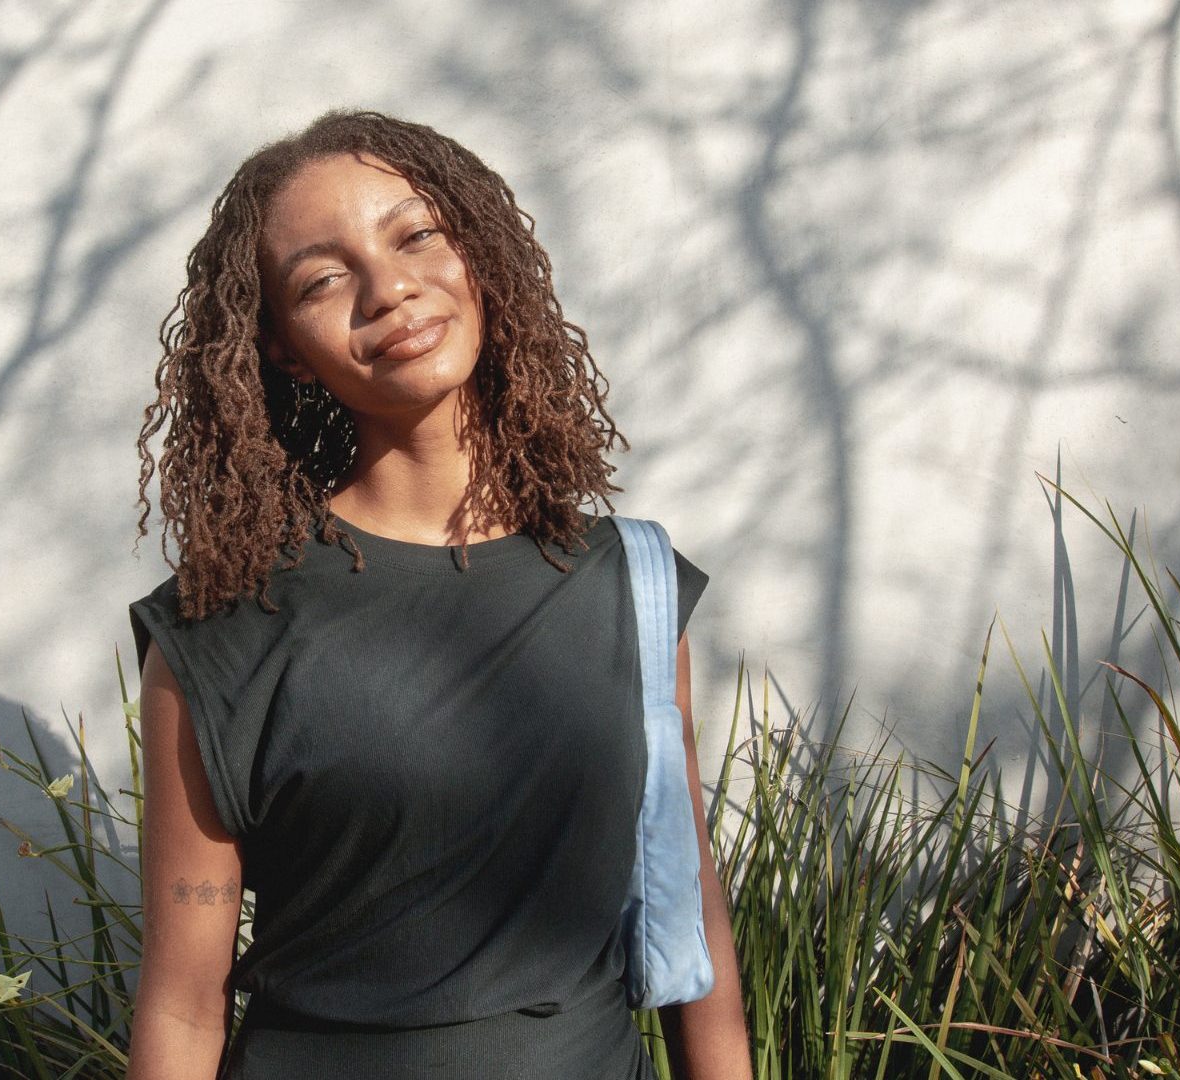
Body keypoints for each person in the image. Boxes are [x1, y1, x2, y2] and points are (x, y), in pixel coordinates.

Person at [126, 110, 750, 1080]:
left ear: (478, 258)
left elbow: (684, 900)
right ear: (285, 348)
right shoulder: (222, 628)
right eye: (324, 279)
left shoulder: (631, 584)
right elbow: (179, 1008)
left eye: (416, 234)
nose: (390, 288)